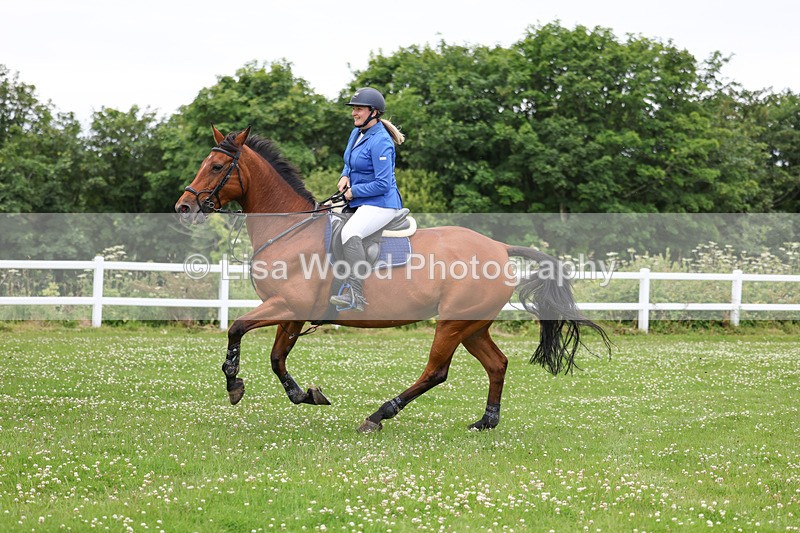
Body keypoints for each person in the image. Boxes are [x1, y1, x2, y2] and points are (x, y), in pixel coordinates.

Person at [329, 87, 405, 311]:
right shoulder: (357, 132)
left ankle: (355, 294)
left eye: (359, 109)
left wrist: (354, 191)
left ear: (374, 112)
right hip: (361, 200)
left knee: (350, 233)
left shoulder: (381, 141)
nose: (354, 113)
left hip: (381, 203)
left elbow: (383, 184)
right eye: (354, 109)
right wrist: (344, 174)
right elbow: (349, 161)